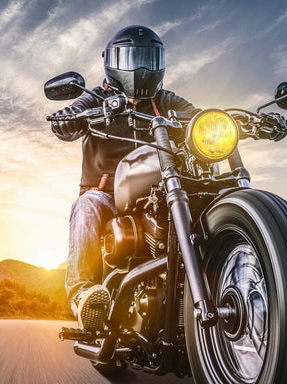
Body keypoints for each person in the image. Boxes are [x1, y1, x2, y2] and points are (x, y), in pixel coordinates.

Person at [50, 25, 197, 333]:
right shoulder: (96, 99)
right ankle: (83, 295)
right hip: (107, 196)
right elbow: (73, 112)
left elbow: (197, 115)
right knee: (86, 205)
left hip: (158, 194)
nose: (140, 68)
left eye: (148, 59)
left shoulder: (166, 101)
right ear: (112, 63)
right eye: (131, 59)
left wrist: (227, 121)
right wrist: (68, 119)